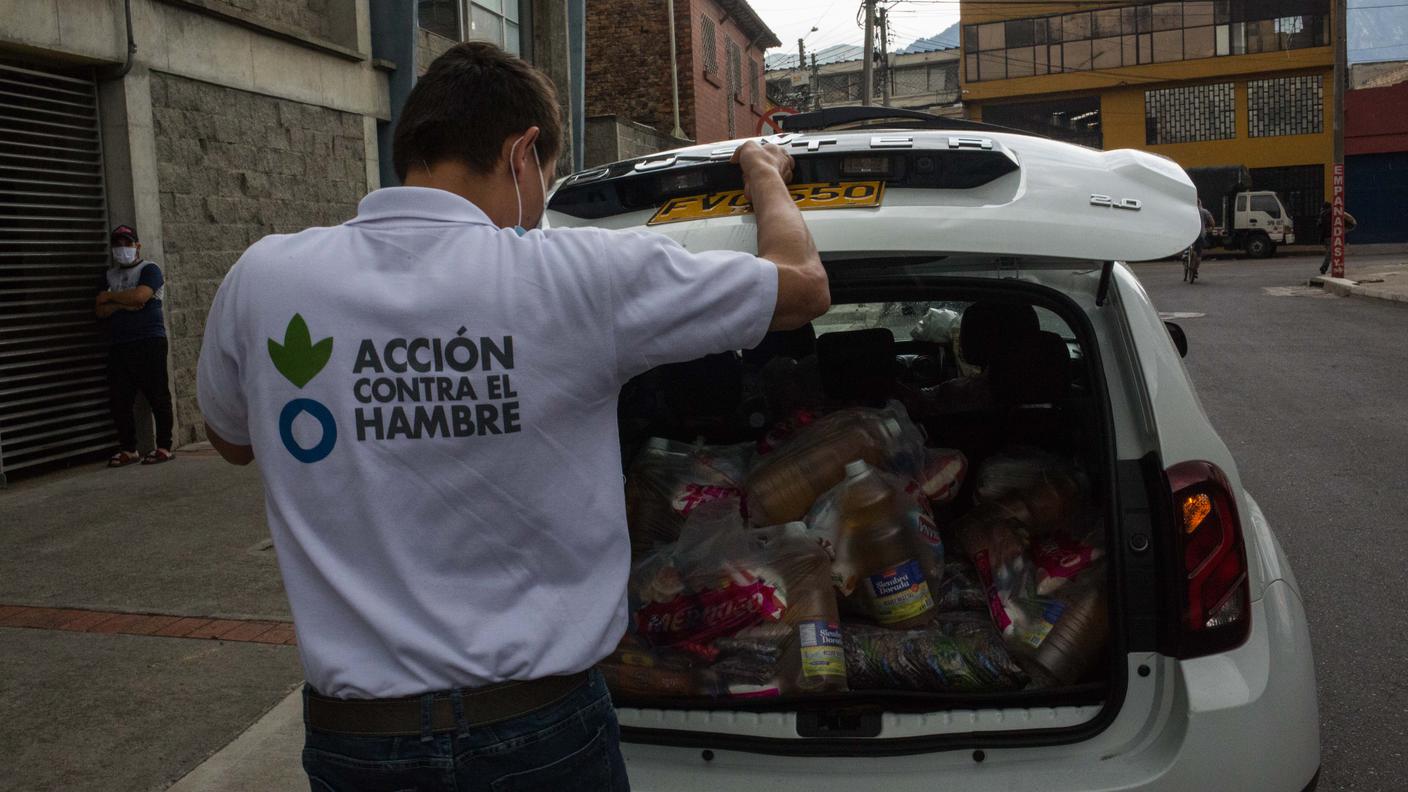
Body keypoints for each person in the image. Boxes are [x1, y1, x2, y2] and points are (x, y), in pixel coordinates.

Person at [196, 42, 826, 791]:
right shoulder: (574, 276)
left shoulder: (264, 278)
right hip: (541, 730)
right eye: (548, 174)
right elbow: (803, 287)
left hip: (358, 740)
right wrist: (764, 178)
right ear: (523, 151)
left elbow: (230, 439)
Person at [97, 224, 175, 466]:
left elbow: (141, 296)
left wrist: (112, 298)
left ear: (137, 246)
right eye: (117, 244)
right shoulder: (108, 275)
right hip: (119, 344)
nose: (122, 249)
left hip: (149, 341)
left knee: (157, 395)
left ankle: (164, 446)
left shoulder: (149, 269)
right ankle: (128, 449)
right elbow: (99, 309)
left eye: (127, 243)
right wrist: (123, 303)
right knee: (119, 399)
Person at [1318, 201, 1358, 275]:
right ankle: (1331, 267)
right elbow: (1352, 221)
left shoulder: (1323, 215)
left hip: (1327, 237)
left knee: (1330, 253)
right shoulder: (1336, 212)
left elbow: (1320, 227)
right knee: (1331, 253)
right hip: (1334, 235)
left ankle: (1328, 267)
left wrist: (1321, 238)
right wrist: (1344, 230)